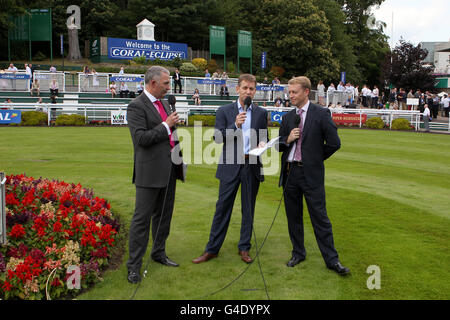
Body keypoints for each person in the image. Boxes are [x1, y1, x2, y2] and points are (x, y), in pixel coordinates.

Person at [277, 76, 350, 276]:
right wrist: (287, 139)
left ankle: (332, 260)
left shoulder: (321, 114)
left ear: (306, 92)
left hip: (311, 174)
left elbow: (334, 143)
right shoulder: (287, 117)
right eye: (289, 92)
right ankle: (298, 253)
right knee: (294, 217)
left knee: (320, 218)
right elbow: (278, 146)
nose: (290, 96)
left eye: (294, 92)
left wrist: (314, 160)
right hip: (290, 172)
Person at [192, 74, 268, 265]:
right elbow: (217, 138)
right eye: (245, 88)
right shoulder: (224, 111)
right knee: (222, 208)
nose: (248, 92)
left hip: (251, 165)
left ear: (255, 91)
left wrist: (263, 142)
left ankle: (244, 247)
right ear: (237, 89)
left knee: (248, 210)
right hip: (230, 165)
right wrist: (235, 125)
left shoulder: (260, 112)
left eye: (251, 89)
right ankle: (212, 249)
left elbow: (264, 137)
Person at [126, 66, 184, 284]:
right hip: (149, 171)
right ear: (153, 83)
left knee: (164, 216)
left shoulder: (166, 103)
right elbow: (141, 139)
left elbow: (170, 135)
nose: (169, 88)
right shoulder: (136, 106)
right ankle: (133, 266)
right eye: (166, 84)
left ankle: (159, 252)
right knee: (141, 220)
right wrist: (165, 125)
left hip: (170, 168)